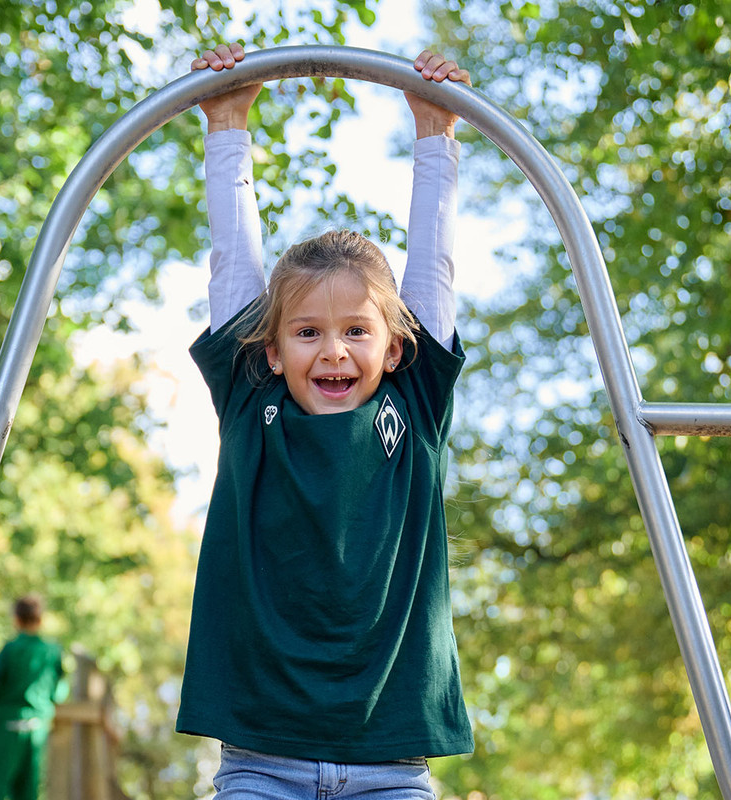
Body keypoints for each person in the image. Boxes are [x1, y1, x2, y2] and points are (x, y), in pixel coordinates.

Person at [177, 42, 474, 798]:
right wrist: (226, 124)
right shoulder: (253, 398)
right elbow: (232, 263)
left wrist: (436, 132)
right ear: (273, 351)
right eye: (308, 332)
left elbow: (434, 269)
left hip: (390, 764)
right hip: (260, 759)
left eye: (356, 331)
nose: (333, 350)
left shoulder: (413, 403)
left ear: (395, 346)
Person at [0, 595, 68, 800]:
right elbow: (59, 693)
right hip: (37, 728)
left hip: (8, 726)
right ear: (40, 619)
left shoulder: (11, 649)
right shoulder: (52, 651)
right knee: (29, 791)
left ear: (16, 619)